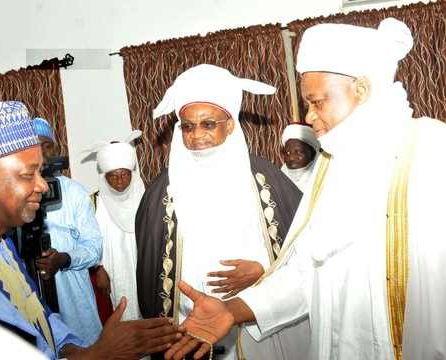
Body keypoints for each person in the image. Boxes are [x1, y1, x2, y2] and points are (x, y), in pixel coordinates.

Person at [164, 18, 446, 360]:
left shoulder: (432, 149)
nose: (309, 117)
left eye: (317, 102)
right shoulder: (332, 165)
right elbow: (307, 271)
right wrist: (233, 310)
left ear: (362, 89)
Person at [0, 100, 183, 359]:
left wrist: (82, 350)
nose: (44, 186)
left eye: (42, 171)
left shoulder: (2, 245)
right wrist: (99, 354)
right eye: (28, 174)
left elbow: (39, 315)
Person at [135, 64, 306, 359]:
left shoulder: (268, 180)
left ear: (230, 124)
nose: (197, 135)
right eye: (187, 126)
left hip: (259, 323)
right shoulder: (160, 194)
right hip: (193, 330)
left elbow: (307, 255)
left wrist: (263, 271)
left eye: (208, 123)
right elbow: (152, 272)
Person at [32, 117, 102, 345]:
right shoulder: (17, 195)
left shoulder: (74, 193)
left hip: (73, 296)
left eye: (47, 146)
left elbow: (94, 247)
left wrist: (63, 258)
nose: (42, 153)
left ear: (56, 148)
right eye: (35, 147)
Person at [88, 131, 145, 321]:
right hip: (111, 271)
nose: (120, 180)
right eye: (113, 175)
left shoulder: (146, 198)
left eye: (124, 174)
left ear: (132, 173)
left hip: (143, 267)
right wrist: (98, 269)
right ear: (105, 177)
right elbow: (89, 239)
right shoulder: (94, 202)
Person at [281, 124, 320, 192]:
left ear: (313, 153)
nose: (291, 157)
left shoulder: (323, 180)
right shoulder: (279, 179)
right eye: (287, 153)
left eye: (299, 152)